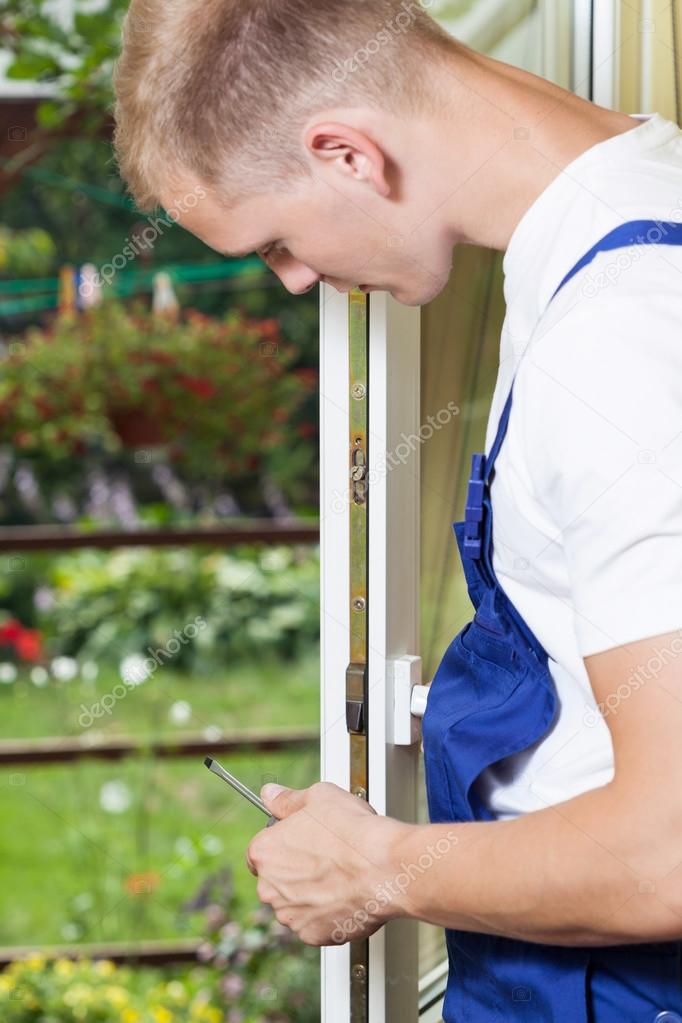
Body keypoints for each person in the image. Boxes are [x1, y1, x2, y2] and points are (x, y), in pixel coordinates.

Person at [113, 2, 682, 1019]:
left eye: (274, 242)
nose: (292, 283)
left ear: (345, 154)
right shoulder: (631, 215)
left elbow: (670, 851)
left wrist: (379, 869)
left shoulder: (626, 333)